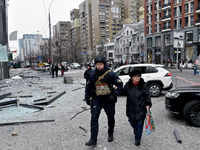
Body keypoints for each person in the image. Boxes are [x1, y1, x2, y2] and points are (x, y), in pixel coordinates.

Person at [85, 56, 123, 146]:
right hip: (97, 99)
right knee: (94, 118)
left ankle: (110, 133)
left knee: (110, 117)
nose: (99, 66)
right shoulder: (92, 75)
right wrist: (87, 98)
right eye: (97, 64)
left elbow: (120, 84)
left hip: (108, 99)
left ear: (104, 64)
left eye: (101, 64)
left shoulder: (111, 74)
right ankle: (93, 139)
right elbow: (88, 87)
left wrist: (114, 94)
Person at [124, 70, 152, 146]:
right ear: (132, 78)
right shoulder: (128, 85)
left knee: (139, 124)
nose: (137, 78)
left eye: (139, 76)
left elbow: (148, 95)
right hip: (131, 108)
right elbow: (123, 91)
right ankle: (135, 129)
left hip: (141, 108)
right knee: (131, 121)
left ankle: (137, 139)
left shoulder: (143, 85)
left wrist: (148, 103)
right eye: (136, 76)